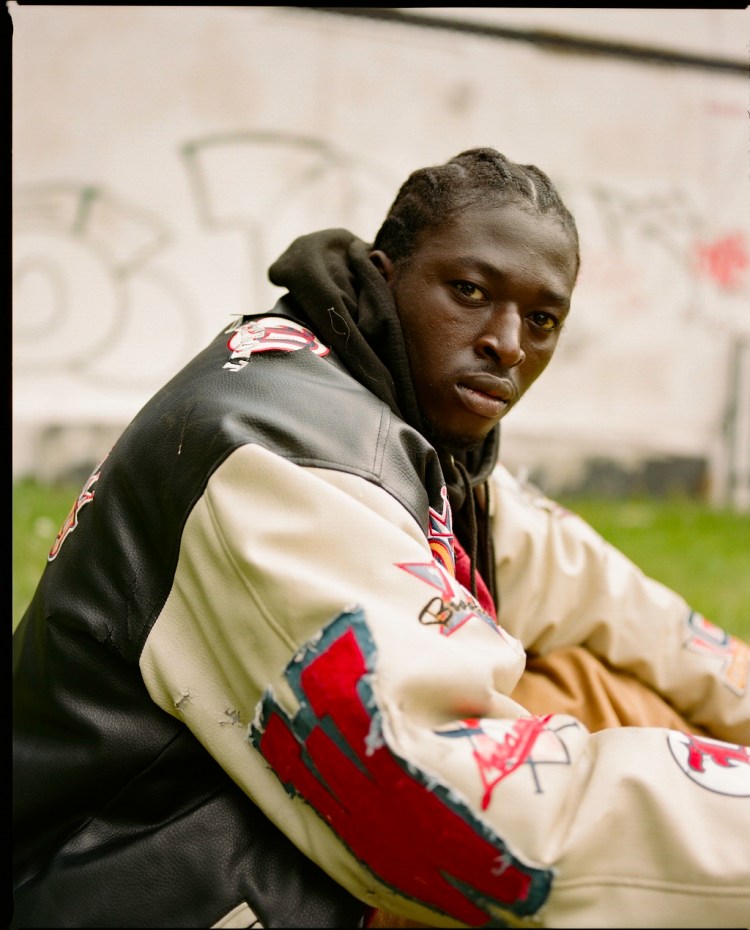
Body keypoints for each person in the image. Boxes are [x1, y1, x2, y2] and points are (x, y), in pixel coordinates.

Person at [12, 147, 749, 930]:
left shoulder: (387, 407)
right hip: (131, 879)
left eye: (541, 319)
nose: (507, 343)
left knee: (602, 687)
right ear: (384, 273)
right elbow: (469, 813)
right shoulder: (280, 462)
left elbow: (593, 588)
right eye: (470, 292)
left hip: (263, 821)